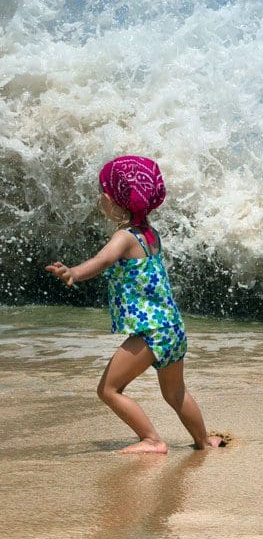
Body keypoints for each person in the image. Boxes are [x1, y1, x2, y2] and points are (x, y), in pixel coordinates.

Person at [46, 155, 224, 454]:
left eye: (103, 191)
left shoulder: (124, 237)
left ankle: (152, 440)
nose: (100, 196)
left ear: (113, 200)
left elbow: (101, 262)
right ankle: (204, 442)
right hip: (171, 328)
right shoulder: (150, 234)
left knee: (108, 389)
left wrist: (74, 273)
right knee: (175, 392)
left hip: (150, 331)